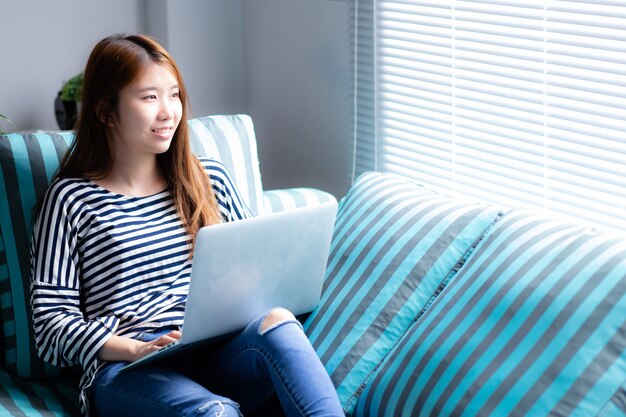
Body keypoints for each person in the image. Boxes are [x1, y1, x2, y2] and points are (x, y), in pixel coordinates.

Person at [29, 33, 343, 417]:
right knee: (215, 413)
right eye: (149, 97)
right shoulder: (70, 200)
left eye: (174, 94)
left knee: (278, 323)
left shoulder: (207, 179)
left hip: (215, 350)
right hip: (130, 367)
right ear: (106, 112)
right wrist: (133, 347)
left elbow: (257, 277)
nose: (168, 112)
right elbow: (49, 325)